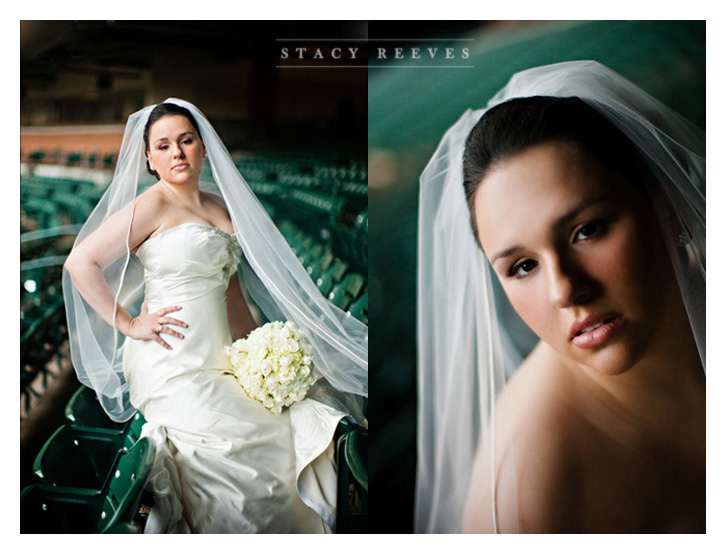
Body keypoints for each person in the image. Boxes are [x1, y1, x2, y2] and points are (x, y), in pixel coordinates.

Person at [415, 61, 705, 533]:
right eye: (522, 266)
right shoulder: (525, 500)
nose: (565, 289)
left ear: (667, 204)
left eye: (586, 230)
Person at [63, 99, 367, 533]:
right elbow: (80, 262)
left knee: (285, 429)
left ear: (203, 147)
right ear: (149, 158)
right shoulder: (151, 205)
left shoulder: (221, 209)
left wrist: (262, 356)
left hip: (222, 357)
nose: (177, 153)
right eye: (163, 146)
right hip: (174, 362)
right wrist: (129, 323)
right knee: (232, 450)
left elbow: (232, 296)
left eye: (186, 141)